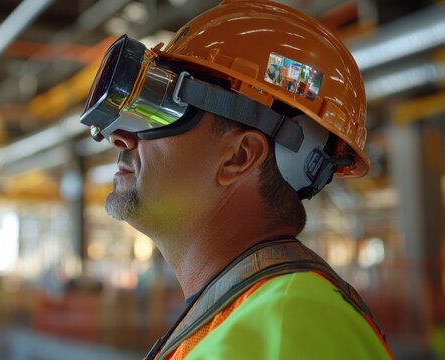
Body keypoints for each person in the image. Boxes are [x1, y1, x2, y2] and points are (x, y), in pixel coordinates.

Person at [79, 0, 391, 359]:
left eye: (163, 107)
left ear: (239, 157)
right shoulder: (245, 316)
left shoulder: (291, 323)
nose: (120, 136)